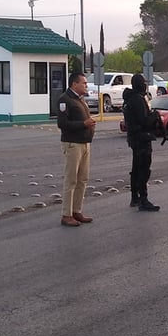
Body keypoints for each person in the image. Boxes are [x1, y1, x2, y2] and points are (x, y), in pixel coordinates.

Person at [58, 72, 96, 227]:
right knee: (71, 180)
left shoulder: (80, 100)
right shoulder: (65, 100)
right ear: (74, 84)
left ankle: (76, 210)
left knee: (82, 179)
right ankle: (66, 214)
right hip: (73, 144)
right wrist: (84, 124)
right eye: (84, 83)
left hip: (85, 143)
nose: (86, 86)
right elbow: (62, 124)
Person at [122, 74, 161, 211]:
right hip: (141, 138)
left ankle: (135, 197)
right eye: (143, 82)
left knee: (136, 169)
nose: (145, 85)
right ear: (139, 84)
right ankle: (143, 200)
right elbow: (144, 121)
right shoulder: (137, 100)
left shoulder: (129, 99)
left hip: (134, 138)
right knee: (143, 169)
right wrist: (154, 116)